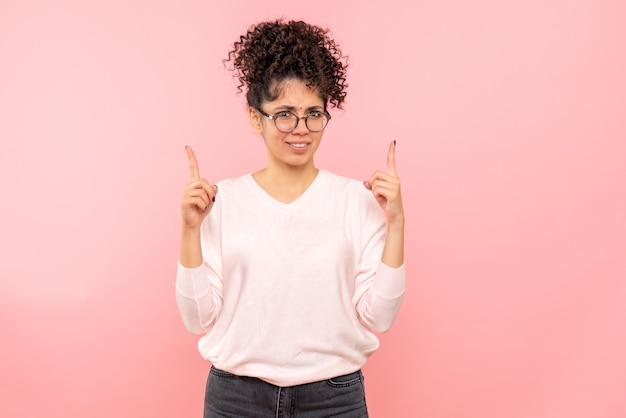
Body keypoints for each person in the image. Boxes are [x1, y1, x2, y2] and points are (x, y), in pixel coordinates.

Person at [176, 19, 406, 418]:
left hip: (335, 399)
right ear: (255, 118)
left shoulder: (357, 200)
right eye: (284, 114)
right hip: (236, 399)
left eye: (313, 113)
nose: (300, 129)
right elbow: (198, 319)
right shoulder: (221, 202)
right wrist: (190, 230)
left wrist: (397, 224)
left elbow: (379, 317)